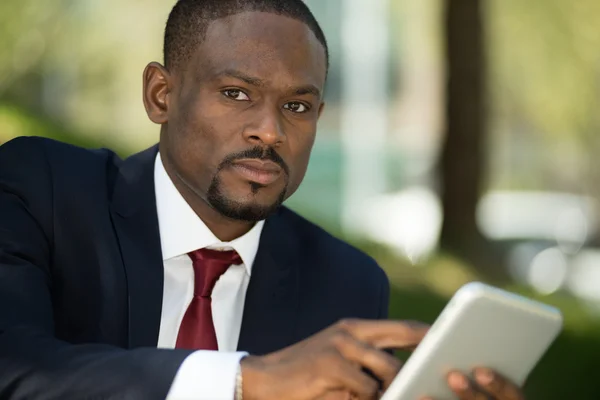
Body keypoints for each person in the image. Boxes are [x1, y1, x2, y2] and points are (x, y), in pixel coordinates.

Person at [0, 1, 526, 399]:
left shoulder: (347, 283)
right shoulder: (45, 192)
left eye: (297, 105)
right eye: (236, 94)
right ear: (161, 95)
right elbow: (16, 367)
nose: (270, 131)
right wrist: (244, 380)